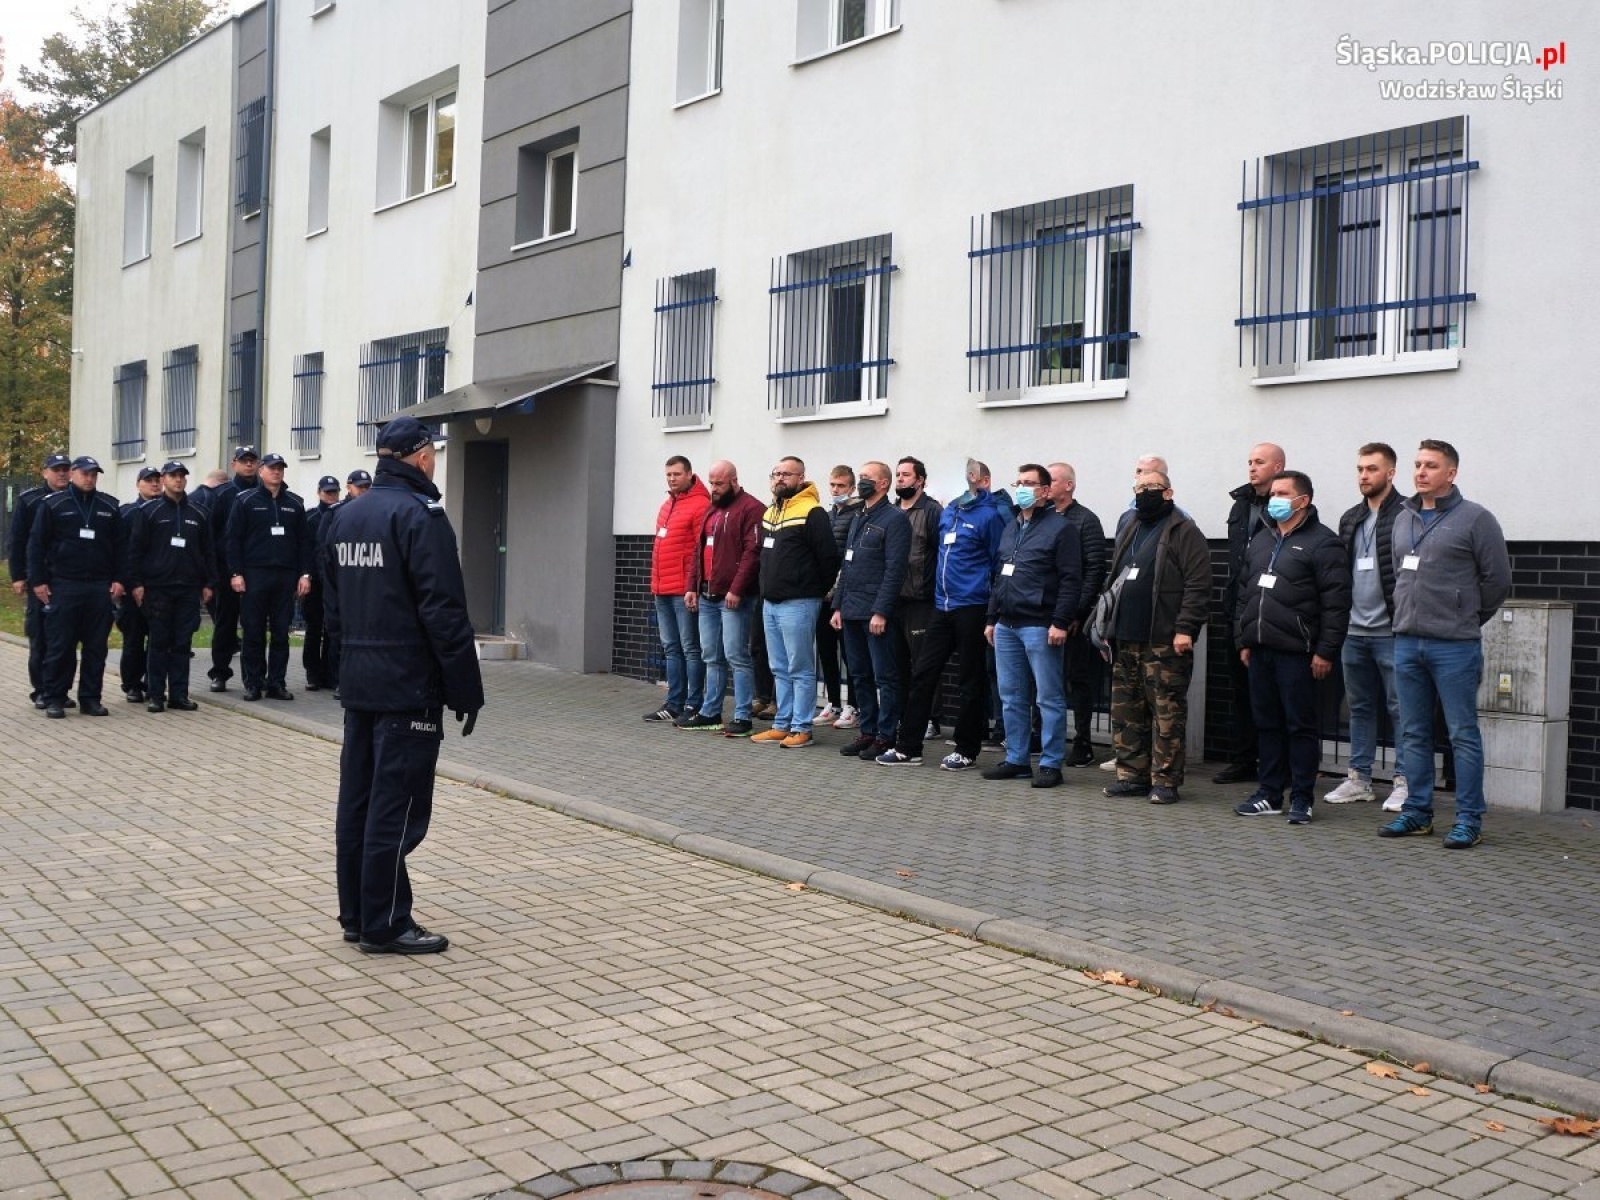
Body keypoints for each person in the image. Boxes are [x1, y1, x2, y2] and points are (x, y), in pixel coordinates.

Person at [323, 416, 483, 954]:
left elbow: (332, 610)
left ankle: (357, 913)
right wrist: (464, 687)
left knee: (359, 801)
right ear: (419, 457)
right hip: (407, 685)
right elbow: (443, 609)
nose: (435, 459)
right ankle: (386, 923)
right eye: (433, 452)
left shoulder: (345, 516)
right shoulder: (421, 516)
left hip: (360, 681)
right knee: (397, 807)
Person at [1380, 440, 1510, 850]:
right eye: (1417, 465)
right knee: (1413, 733)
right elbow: (1398, 577)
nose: (1420, 472)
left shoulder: (1475, 519)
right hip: (1407, 642)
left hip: (1454, 646)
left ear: (1450, 473)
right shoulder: (1403, 518)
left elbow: (1497, 582)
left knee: (1462, 734)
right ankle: (1417, 813)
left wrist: (1465, 618)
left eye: (1431, 466)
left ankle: (1469, 819)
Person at [1232, 471, 1351, 825]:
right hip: (1260, 648)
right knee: (1266, 724)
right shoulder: (1262, 539)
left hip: (1298, 653)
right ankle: (1269, 793)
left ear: (1304, 501)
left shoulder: (1323, 543)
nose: (1274, 500)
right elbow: (1244, 593)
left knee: (1299, 726)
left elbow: (1336, 603)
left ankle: (1301, 797)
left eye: (1283, 493)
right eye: (1272, 494)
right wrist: (1244, 638)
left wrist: (1326, 650)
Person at [877, 459, 1008, 769]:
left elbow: (997, 563)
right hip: (942, 605)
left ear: (984, 481)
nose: (967, 484)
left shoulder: (991, 516)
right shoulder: (948, 512)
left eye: (973, 478)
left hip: (972, 606)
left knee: (969, 679)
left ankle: (966, 748)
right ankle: (908, 746)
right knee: (922, 675)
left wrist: (992, 610)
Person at [1101, 468, 1211, 804]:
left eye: (1152, 486)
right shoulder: (1131, 527)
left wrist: (1185, 628)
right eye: (1139, 486)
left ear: (1168, 492)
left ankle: (1165, 780)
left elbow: (1198, 584)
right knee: (1126, 713)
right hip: (1125, 637)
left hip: (1164, 639)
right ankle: (1132, 775)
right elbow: (1116, 577)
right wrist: (1106, 626)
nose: (1144, 492)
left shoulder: (1184, 531)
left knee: (1166, 712)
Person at [981, 465, 1082, 789]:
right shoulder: (1011, 527)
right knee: (1011, 696)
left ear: (1044, 490)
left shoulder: (1061, 529)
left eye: (1029, 483)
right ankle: (1017, 759)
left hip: (1040, 625)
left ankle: (1051, 764)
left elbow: (1071, 580)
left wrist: (1060, 622)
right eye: (1018, 482)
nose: (1022, 488)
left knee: (1048, 698)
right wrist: (991, 618)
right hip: (1007, 625)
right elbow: (1000, 576)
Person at [1330, 443, 1410, 812]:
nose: (1364, 475)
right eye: (1360, 469)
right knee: (1360, 707)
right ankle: (1359, 779)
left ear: (1391, 473)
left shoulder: (1407, 514)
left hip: (1392, 632)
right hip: (1353, 631)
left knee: (1401, 708)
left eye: (1372, 469)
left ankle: (1404, 780)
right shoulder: (1350, 518)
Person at [751, 456, 839, 748]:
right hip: (771, 602)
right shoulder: (770, 512)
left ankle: (802, 728)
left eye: (786, 474)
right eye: (775, 474)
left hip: (799, 601)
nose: (779, 479)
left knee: (799, 667)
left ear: (801, 478)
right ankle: (782, 723)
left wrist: (815, 590)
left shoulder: (812, 512)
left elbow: (828, 559)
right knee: (779, 666)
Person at [27, 456, 123, 718]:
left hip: (98, 587)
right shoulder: (53, 505)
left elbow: (120, 548)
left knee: (96, 647)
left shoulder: (109, 506)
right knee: (60, 645)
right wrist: (38, 581)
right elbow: (36, 545)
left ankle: (91, 698)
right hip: (64, 585)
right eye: (85, 474)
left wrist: (119, 579)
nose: (90, 478)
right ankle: (55, 696)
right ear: (72, 474)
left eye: (94, 474)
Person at [1216, 443, 1286, 784]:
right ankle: (1243, 759)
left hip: (1271, 607)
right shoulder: (1241, 504)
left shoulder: (1286, 504)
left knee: (1271, 692)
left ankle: (1275, 765)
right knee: (1240, 691)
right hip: (1238, 604)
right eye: (1249, 462)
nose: (1252, 468)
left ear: (1278, 467)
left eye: (1259, 462)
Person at [831, 461, 910, 760]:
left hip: (874, 613)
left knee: (885, 676)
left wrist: (882, 611)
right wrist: (838, 605)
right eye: (860, 477)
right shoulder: (857, 516)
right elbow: (847, 565)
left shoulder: (894, 519)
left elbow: (895, 570)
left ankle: (887, 735)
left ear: (883, 484)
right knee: (860, 675)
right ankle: (868, 731)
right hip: (851, 609)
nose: (861, 482)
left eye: (867, 478)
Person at [680, 460, 766, 735]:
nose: (714, 488)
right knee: (711, 656)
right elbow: (699, 549)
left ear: (734, 480)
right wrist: (692, 585)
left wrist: (737, 589)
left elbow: (752, 554)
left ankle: (742, 716)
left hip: (733, 597)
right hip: (707, 594)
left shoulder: (751, 508)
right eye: (711, 482)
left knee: (736, 655)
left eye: (719, 483)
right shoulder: (712, 508)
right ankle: (710, 712)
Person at [124, 462, 215, 712]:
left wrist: (208, 583)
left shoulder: (199, 512)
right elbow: (136, 550)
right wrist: (137, 583)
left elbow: (208, 552)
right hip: (158, 588)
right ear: (164, 479)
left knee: (182, 643)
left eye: (182, 476)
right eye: (173, 476)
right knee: (158, 642)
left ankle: (179, 694)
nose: (178, 480)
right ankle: (155, 694)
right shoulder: (149, 511)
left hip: (188, 588)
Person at [225, 452, 312, 701]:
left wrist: (305, 574)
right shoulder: (245, 500)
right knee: (253, 631)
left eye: (280, 468)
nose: (276, 472)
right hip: (254, 575)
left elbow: (305, 543)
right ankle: (253, 682)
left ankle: (277, 682)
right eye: (272, 468)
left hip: (285, 576)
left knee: (281, 632)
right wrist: (236, 573)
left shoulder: (294, 503)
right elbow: (233, 540)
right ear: (261, 471)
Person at [1048, 461, 1107, 766]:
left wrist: (1075, 613)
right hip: (1042, 614)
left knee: (1077, 679)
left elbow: (1094, 569)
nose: (1045, 485)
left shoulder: (1086, 521)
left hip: (1073, 618)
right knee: (1044, 681)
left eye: (1052, 480)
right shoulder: (1040, 519)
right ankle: (1043, 736)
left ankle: (1082, 741)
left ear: (1068, 485)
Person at [644, 456, 711, 723]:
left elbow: (699, 550)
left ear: (689, 474)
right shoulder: (666, 505)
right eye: (668, 474)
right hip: (661, 588)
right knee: (670, 648)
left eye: (676, 474)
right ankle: (673, 703)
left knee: (690, 648)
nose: (671, 479)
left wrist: (692, 587)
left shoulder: (700, 505)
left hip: (684, 590)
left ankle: (693, 704)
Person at [8, 452, 72, 708]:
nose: (62, 474)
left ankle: (61, 689)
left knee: (65, 639)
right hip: (39, 577)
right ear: (45, 472)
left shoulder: (75, 500)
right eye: (56, 469)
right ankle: (41, 689)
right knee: (41, 637)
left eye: (66, 469)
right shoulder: (30, 500)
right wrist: (19, 575)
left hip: (67, 578)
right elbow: (18, 540)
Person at [893, 456, 943, 732]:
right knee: (897, 665)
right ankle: (903, 716)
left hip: (922, 601)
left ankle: (930, 720)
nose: (900, 479)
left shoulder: (932, 511)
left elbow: (942, 554)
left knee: (923, 665)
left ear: (920, 480)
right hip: (893, 601)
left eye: (906, 475)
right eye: (898, 474)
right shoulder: (891, 511)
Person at [205, 447, 260, 691]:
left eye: (252, 461)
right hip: (228, 571)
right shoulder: (223, 495)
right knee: (226, 624)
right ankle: (220, 673)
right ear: (234, 464)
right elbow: (212, 533)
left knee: (255, 626)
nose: (249, 465)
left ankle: (254, 677)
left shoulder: (265, 491)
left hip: (257, 570)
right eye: (244, 461)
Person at [319, 470, 372, 697]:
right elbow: (324, 551)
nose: (364, 491)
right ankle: (340, 680)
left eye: (367, 487)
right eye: (360, 487)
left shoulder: (375, 512)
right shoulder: (336, 513)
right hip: (340, 582)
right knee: (339, 633)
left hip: (365, 581)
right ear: (349, 488)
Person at [817, 465, 861, 729]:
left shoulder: (857, 515)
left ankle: (852, 706)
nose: (835, 490)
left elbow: (849, 559)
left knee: (850, 655)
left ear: (851, 488)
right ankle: (833, 702)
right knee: (825, 651)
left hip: (842, 595)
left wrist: (836, 590)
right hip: (822, 595)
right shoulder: (827, 514)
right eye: (832, 485)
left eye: (841, 486)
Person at [115, 466, 163, 703]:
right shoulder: (127, 513)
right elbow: (121, 550)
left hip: (159, 586)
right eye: (149, 481)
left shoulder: (166, 511)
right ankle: (132, 683)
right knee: (134, 638)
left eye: (157, 480)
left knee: (159, 639)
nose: (154, 485)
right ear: (138, 484)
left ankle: (154, 683)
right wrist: (126, 582)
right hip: (133, 584)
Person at [302, 475, 342, 691]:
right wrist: (306, 575)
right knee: (314, 628)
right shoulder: (311, 517)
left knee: (332, 629)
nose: (331, 496)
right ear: (319, 493)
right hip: (315, 582)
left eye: (334, 492)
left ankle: (328, 673)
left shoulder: (342, 515)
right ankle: (312, 673)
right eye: (327, 492)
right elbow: (306, 550)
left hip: (333, 582)